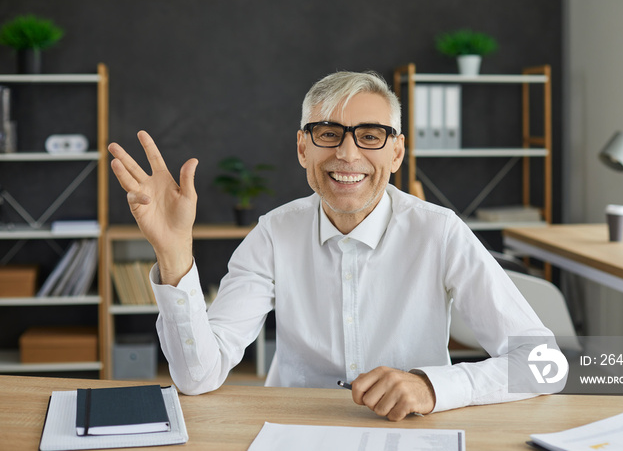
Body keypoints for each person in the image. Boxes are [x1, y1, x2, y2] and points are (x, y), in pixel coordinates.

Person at [108, 70, 557, 422]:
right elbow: (198, 377)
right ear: (303, 148)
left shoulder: (439, 232)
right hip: (293, 433)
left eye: (370, 135)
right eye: (327, 133)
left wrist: (432, 387)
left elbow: (544, 364)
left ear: (396, 154)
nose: (347, 153)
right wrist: (173, 253)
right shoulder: (273, 233)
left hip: (409, 433)